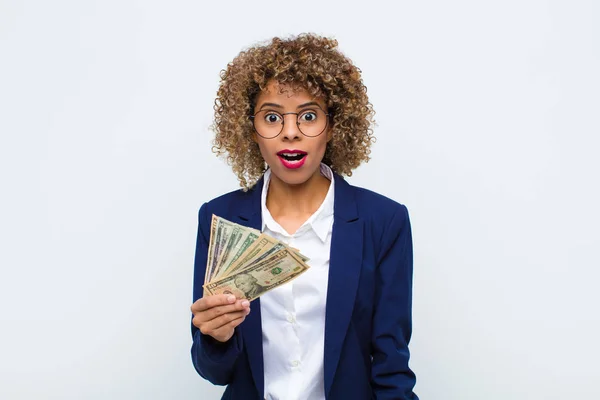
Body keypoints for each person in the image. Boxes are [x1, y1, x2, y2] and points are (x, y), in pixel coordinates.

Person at [190, 33, 419, 400]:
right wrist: (215, 336)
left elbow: (391, 365)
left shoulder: (384, 222)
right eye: (272, 117)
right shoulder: (219, 217)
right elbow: (215, 372)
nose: (291, 132)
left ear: (334, 124)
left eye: (309, 116)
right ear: (251, 128)